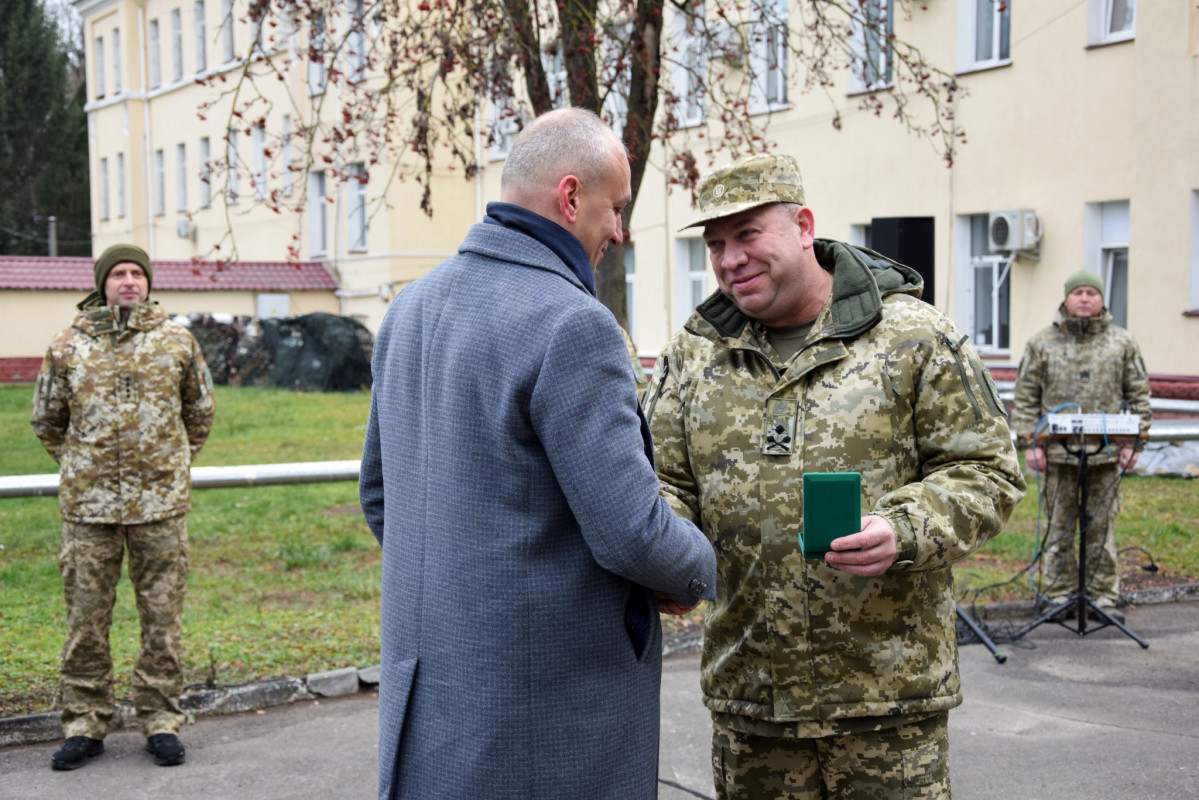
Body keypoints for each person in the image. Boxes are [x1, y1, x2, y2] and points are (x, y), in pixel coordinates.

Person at [358, 107, 716, 800]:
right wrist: (705, 566)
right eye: (614, 209)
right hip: (543, 716)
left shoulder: (410, 307)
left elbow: (382, 498)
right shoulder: (571, 325)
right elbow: (630, 533)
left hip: (432, 704)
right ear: (570, 196)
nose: (619, 231)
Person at [642, 153, 1026, 799]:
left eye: (746, 235)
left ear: (802, 225)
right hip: (751, 704)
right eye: (714, 244)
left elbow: (986, 471)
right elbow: (663, 482)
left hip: (884, 703)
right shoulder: (694, 354)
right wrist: (662, 553)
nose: (729, 259)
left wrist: (903, 529)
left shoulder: (913, 337)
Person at [31, 243, 216, 770]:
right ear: (102, 283)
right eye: (119, 274)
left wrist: (167, 466)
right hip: (88, 513)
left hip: (160, 508)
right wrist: (81, 470)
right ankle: (85, 724)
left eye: (137, 273)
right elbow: (47, 421)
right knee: (86, 621)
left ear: (149, 281)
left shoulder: (177, 341)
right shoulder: (68, 345)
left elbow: (199, 413)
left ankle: (160, 721)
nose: (129, 281)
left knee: (162, 621)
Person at [1010, 270, 1151, 614]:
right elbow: (1027, 396)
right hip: (1057, 457)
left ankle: (1102, 598)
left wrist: (1134, 443)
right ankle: (1059, 596)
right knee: (1058, 528)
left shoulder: (1122, 342)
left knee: (1100, 530)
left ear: (1102, 299)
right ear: (1066, 299)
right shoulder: (1042, 343)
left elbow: (1139, 395)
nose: (1085, 298)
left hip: (1105, 457)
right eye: (1078, 293)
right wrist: (1031, 442)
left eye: (1091, 292)